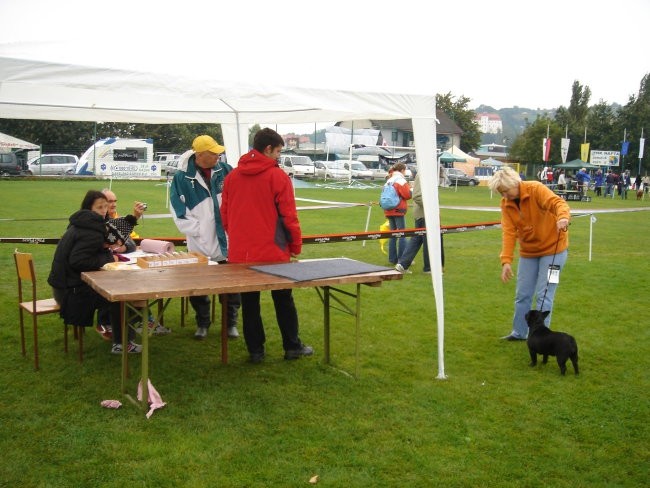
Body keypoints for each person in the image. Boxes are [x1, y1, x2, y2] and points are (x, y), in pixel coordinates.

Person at [220, 128, 313, 363]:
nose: (279, 156)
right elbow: (289, 217)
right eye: (278, 151)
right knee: (283, 300)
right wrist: (295, 246)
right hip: (274, 251)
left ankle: (256, 351)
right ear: (268, 149)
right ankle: (292, 346)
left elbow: (225, 215)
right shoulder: (278, 177)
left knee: (250, 303)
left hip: (242, 252)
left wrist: (239, 238)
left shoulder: (232, 177)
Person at [48, 190, 142, 354]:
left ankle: (115, 330)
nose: (104, 210)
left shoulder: (82, 223)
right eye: (100, 207)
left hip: (62, 287)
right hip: (70, 293)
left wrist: (106, 252)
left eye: (106, 206)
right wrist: (110, 260)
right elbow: (78, 261)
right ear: (89, 208)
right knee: (120, 296)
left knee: (115, 290)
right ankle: (122, 343)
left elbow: (109, 238)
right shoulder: (90, 230)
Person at [170, 135, 241, 340]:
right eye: (213, 152)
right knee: (199, 286)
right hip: (199, 244)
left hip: (228, 240)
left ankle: (231, 322)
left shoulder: (226, 171)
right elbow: (178, 212)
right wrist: (200, 231)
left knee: (231, 285)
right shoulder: (181, 178)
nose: (218, 155)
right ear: (200, 155)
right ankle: (202, 322)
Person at [487, 167, 571, 341]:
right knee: (522, 294)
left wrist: (562, 217)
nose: (504, 196)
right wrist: (506, 261)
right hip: (528, 252)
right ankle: (519, 332)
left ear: (514, 183)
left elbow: (558, 203)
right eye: (500, 193)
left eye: (505, 191)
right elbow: (509, 233)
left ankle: (542, 337)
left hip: (555, 250)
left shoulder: (536, 189)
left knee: (545, 294)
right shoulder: (506, 204)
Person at [95, 189, 171, 341]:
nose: (113, 205)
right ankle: (106, 323)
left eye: (115, 201)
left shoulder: (117, 218)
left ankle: (142, 321)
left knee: (140, 280)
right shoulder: (97, 222)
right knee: (118, 285)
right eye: (109, 202)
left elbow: (130, 242)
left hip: (116, 266)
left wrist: (123, 247)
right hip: (99, 270)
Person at [395, 172, 444, 274]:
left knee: (417, 239)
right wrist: (432, 207)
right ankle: (429, 268)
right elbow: (417, 196)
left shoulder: (426, 173)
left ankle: (403, 264)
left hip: (424, 214)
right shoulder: (423, 174)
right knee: (428, 240)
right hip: (424, 214)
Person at [383, 162, 412, 265]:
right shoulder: (400, 180)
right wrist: (411, 189)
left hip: (388, 209)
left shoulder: (389, 180)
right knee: (402, 234)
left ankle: (392, 258)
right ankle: (402, 259)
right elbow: (407, 195)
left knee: (393, 234)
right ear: (402, 170)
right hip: (398, 209)